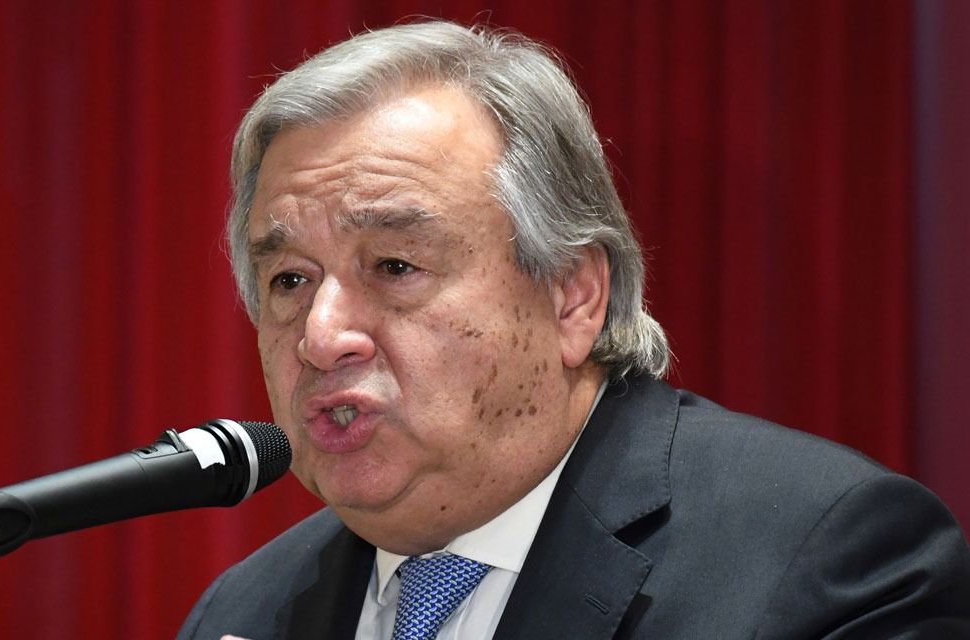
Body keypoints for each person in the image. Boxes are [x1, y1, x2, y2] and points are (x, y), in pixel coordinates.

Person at [178, 20, 970, 640]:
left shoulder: (825, 560)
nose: (321, 337)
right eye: (290, 281)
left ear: (573, 297)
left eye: (393, 265)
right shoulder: (242, 612)